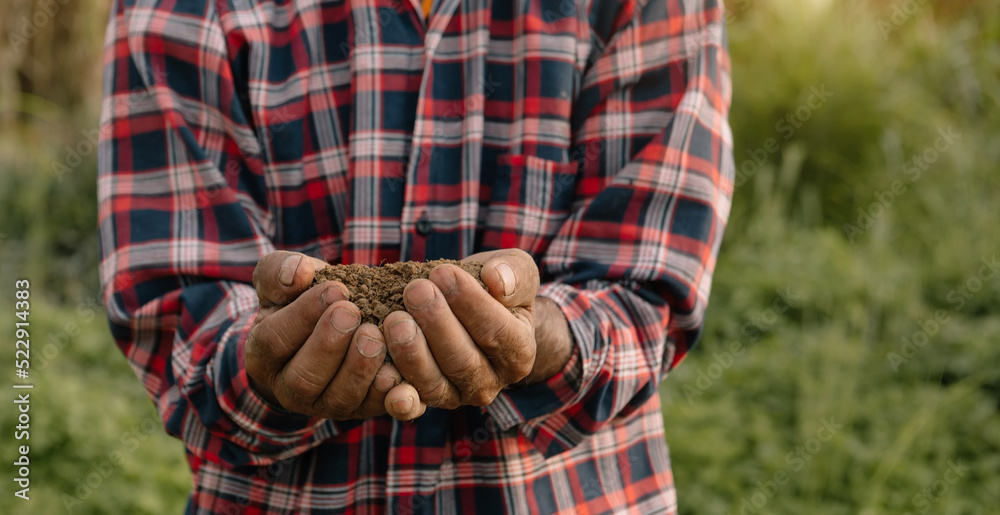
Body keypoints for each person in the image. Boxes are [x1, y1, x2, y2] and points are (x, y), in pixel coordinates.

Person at [98, 0, 733, 513]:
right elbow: (178, 304)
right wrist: (257, 360)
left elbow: (645, 285)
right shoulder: (183, 11)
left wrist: (548, 338)